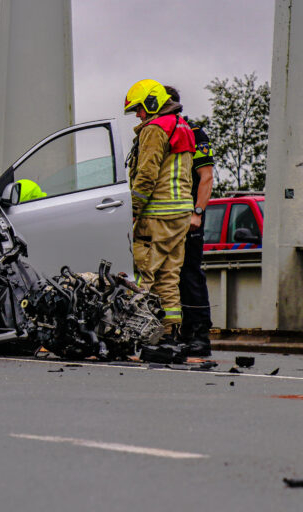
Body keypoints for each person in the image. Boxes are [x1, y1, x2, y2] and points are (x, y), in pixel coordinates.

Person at [123, 79, 195, 344]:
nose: (139, 115)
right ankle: (170, 335)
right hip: (180, 215)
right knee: (169, 277)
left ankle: (133, 335)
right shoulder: (182, 126)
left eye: (140, 109)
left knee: (142, 275)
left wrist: (132, 210)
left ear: (152, 103)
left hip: (157, 215)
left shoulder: (154, 129)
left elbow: (147, 174)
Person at [164, 85, 214, 356]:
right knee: (169, 276)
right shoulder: (160, 133)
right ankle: (175, 332)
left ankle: (199, 334)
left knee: (189, 273)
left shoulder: (193, 132)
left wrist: (198, 213)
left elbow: (205, 177)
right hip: (164, 217)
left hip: (187, 217)